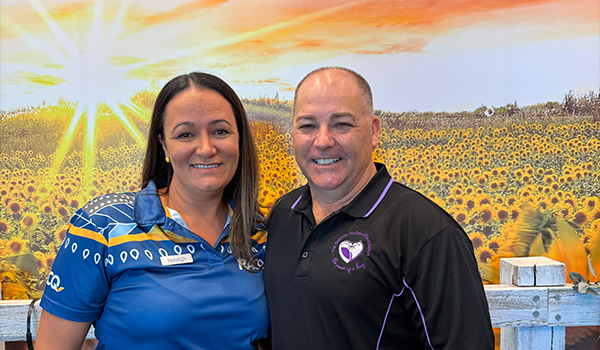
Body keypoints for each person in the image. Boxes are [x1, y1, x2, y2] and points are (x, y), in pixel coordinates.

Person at [263, 67, 494, 349]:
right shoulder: (283, 213)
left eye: (342, 124)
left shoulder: (427, 233)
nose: (323, 141)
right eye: (307, 125)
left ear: (373, 132)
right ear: (293, 134)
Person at [36, 72, 269, 349]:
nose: (206, 148)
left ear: (239, 139)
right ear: (164, 145)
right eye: (185, 134)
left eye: (220, 131)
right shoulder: (102, 225)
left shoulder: (260, 233)